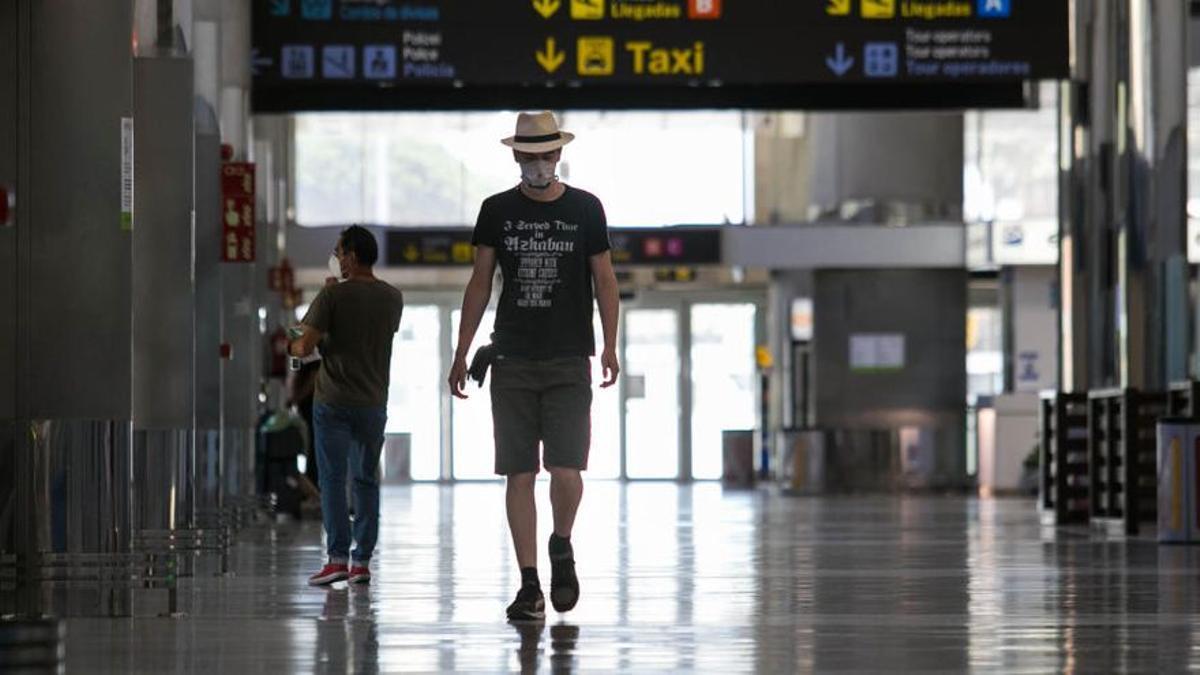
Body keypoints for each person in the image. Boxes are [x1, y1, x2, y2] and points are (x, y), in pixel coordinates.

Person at [449, 111, 620, 620]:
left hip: (570, 357)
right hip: (513, 359)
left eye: (547, 154)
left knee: (567, 471)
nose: (539, 164)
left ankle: (561, 543)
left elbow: (605, 280)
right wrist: (461, 350)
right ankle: (529, 584)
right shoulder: (496, 210)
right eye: (530, 155)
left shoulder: (586, 208)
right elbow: (481, 282)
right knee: (518, 474)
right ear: (516, 156)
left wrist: (610, 344)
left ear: (559, 155)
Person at [290, 225, 404, 586]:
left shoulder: (332, 296)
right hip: (373, 402)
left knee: (333, 480)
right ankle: (361, 562)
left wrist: (301, 333)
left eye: (340, 253)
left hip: (334, 402)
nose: (338, 259)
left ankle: (337, 558)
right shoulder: (392, 297)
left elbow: (303, 345)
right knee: (366, 480)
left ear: (352, 256)